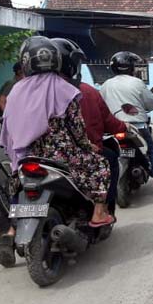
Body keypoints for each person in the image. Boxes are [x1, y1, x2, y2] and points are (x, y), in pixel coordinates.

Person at [0, 36, 114, 267]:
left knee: (17, 182)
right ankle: (99, 212)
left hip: (27, 156)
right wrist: (86, 145)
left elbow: (8, 128)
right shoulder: (64, 88)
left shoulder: (15, 92)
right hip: (60, 155)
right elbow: (76, 127)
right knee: (101, 164)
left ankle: (11, 231)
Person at [52, 38, 127, 216]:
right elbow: (81, 130)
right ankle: (102, 209)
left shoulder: (25, 91)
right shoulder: (80, 92)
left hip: (32, 157)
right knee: (108, 161)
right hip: (74, 155)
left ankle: (12, 228)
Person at [100, 51, 153, 191]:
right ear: (130, 67)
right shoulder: (137, 82)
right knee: (152, 149)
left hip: (114, 128)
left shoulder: (105, 85)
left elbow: (101, 106)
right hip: (138, 126)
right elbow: (150, 103)